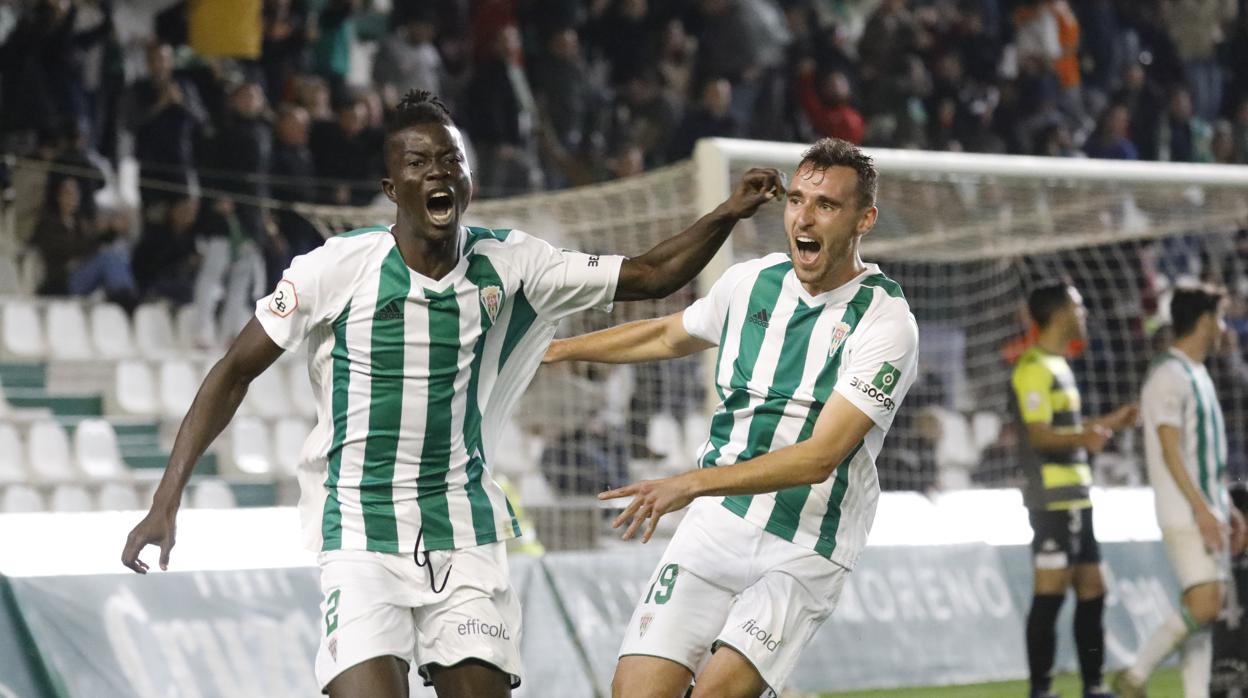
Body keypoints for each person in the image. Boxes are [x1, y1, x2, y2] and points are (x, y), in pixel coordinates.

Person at [120, 90, 784, 698]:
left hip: (462, 529)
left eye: (450, 159)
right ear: (392, 187)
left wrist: (727, 211)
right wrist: (165, 499)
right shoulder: (334, 269)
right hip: (357, 528)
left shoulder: (514, 262)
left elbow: (649, 273)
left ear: (467, 178)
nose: (438, 171)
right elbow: (233, 371)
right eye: (419, 162)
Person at [544, 137, 918, 698]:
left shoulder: (886, 322)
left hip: (805, 544)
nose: (804, 217)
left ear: (865, 218)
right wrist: (556, 351)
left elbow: (820, 457)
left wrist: (691, 483)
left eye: (826, 205)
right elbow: (669, 333)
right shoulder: (751, 282)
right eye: (796, 200)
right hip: (717, 526)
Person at [1113, 285, 1248, 698]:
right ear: (1205, 321)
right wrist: (1203, 510)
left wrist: (1227, 506)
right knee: (1208, 602)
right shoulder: (1168, 375)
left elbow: (1202, 455)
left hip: (1207, 507)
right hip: (1184, 510)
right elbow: (1171, 451)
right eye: (1220, 318)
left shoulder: (1197, 372)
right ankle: (1134, 676)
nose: (1223, 327)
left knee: (1205, 613)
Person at [1011, 280, 1138, 698]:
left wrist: (1109, 422)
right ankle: (1041, 690)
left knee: (1092, 588)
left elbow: (1063, 428)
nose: (1084, 314)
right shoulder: (1033, 368)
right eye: (1079, 306)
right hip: (1051, 499)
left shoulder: (1059, 365)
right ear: (1060, 313)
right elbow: (1040, 436)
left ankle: (1093, 686)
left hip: (1077, 498)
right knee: (1050, 592)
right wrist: (1087, 438)